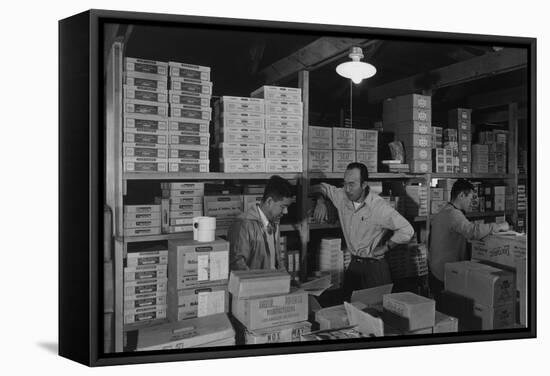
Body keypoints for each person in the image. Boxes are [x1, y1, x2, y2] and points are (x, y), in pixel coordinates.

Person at [313, 162, 414, 298]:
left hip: (375, 268)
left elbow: (407, 230)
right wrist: (321, 201)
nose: (347, 189)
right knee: (349, 308)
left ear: (364, 184)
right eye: (345, 183)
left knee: (377, 311)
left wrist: (387, 247)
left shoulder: (378, 207)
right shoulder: (342, 196)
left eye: (352, 184)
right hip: (355, 265)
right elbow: (321, 187)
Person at [428, 179, 509, 300]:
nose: (472, 202)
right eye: (470, 198)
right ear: (461, 195)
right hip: (444, 273)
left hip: (435, 270)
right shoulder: (453, 214)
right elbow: (473, 231)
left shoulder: (444, 211)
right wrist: (499, 226)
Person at [228, 175, 293, 270]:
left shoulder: (274, 223)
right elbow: (237, 266)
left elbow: (276, 261)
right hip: (255, 284)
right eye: (283, 207)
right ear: (269, 201)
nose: (286, 212)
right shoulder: (243, 224)